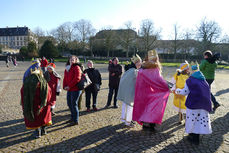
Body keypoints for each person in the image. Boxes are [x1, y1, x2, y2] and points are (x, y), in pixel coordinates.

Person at [132, 50, 170, 131]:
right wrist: (167, 86)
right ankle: (151, 124)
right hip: (153, 92)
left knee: (145, 107)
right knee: (154, 108)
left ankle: (145, 124)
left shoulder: (143, 68)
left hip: (143, 93)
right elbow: (158, 80)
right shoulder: (155, 68)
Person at [175, 63, 212, 145]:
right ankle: (195, 136)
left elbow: (185, 92)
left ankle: (194, 138)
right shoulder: (203, 79)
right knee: (199, 120)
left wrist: (177, 90)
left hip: (194, 104)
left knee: (193, 120)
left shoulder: (190, 80)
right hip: (204, 104)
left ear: (191, 71)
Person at [21, 62, 52, 138]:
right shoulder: (44, 83)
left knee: (36, 118)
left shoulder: (27, 83)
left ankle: (37, 132)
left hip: (33, 105)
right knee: (44, 117)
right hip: (43, 105)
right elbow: (49, 93)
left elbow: (22, 93)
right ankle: (43, 130)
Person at [117, 54, 142, 127]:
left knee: (125, 106)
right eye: (140, 62)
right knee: (130, 107)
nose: (141, 64)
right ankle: (128, 122)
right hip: (130, 93)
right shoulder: (134, 71)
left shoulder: (130, 70)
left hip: (127, 92)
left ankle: (125, 120)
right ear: (136, 63)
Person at [63, 55, 82, 126]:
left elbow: (77, 78)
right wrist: (64, 86)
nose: (71, 60)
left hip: (76, 89)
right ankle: (72, 117)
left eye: (73, 59)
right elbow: (65, 78)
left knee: (74, 104)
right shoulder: (67, 68)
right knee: (69, 103)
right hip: (69, 89)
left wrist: (69, 86)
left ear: (76, 60)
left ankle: (76, 120)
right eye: (71, 59)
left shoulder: (77, 67)